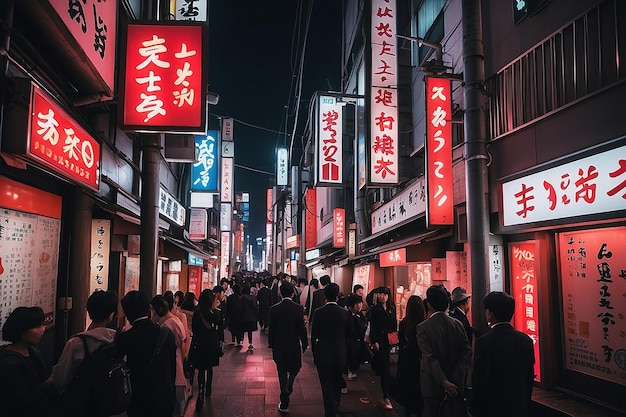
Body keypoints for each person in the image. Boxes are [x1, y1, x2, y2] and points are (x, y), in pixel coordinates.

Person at [52, 290, 119, 416]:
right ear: (111, 315)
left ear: (89, 312)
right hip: (110, 404)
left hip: (82, 405)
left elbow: (61, 379)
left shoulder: (77, 343)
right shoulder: (117, 339)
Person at [469, 291, 535, 417]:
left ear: (489, 314)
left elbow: (480, 379)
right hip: (519, 408)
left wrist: (474, 408)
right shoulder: (526, 340)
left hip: (493, 409)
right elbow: (528, 378)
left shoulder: (485, 342)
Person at [114, 290, 177, 417]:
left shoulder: (125, 338)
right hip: (164, 395)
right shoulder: (166, 333)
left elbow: (116, 366)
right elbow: (172, 368)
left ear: (127, 313)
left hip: (138, 397)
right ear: (149, 308)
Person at [416, 285, 472, 417]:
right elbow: (466, 352)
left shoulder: (423, 327)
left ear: (429, 305)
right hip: (456, 386)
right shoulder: (457, 324)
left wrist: (443, 381)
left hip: (432, 386)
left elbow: (429, 357)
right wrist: (455, 378)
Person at [0, 306, 56, 417]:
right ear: (20, 330)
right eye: (37, 326)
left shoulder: (32, 352)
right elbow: (20, 400)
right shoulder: (8, 363)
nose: (43, 329)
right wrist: (49, 383)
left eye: (42, 325)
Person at [311, 283, 354, 417]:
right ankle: (335, 406)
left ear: (325, 296)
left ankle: (329, 410)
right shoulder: (345, 313)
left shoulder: (319, 312)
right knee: (337, 381)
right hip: (340, 353)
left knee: (326, 384)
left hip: (323, 353)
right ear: (337, 296)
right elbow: (350, 333)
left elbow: (314, 336)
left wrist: (315, 353)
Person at [267, 281, 308, 413]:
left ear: (280, 293)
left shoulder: (274, 309)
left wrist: (271, 343)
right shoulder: (298, 308)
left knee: (282, 370)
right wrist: (305, 343)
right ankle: (289, 385)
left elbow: (271, 329)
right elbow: (301, 328)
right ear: (292, 293)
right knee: (295, 368)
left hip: (279, 344)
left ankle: (284, 399)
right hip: (293, 344)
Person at [151, 295, 189, 417]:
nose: (150, 312)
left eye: (152, 308)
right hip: (175, 368)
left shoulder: (170, 323)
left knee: (176, 407)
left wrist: (182, 366)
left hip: (174, 370)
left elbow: (182, 347)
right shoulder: (173, 320)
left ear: (160, 309)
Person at [188, 288, 222, 410]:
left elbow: (195, 331)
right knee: (210, 367)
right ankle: (208, 388)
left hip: (200, 344)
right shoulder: (215, 313)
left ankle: (201, 391)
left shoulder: (197, 313)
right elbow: (219, 330)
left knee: (201, 369)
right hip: (212, 344)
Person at [369, 286, 398, 410]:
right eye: (381, 294)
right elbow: (373, 326)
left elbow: (394, 325)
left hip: (388, 341)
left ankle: (385, 395)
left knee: (386, 367)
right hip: (379, 341)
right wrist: (374, 340)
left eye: (385, 295)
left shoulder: (392, 308)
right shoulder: (374, 309)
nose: (383, 297)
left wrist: (394, 339)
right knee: (385, 368)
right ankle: (385, 396)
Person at [397, 295, 426, 417]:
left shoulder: (404, 323)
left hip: (406, 361)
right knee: (419, 391)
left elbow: (400, 341)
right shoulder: (424, 324)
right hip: (420, 361)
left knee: (407, 391)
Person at [345, 293, 367, 381]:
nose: (359, 305)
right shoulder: (348, 314)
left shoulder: (360, 314)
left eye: (360, 303)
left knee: (357, 355)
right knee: (351, 354)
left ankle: (354, 370)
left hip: (359, 339)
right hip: (351, 340)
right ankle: (350, 370)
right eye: (357, 304)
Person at [236, 284, 259, 351]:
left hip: (244, 317)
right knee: (250, 331)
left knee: (242, 329)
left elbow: (240, 308)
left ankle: (241, 340)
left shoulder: (242, 298)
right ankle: (250, 343)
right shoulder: (254, 298)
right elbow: (256, 307)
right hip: (252, 317)